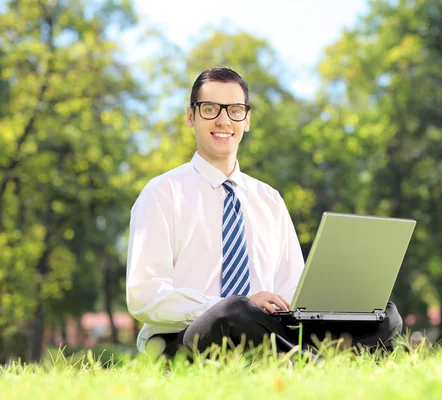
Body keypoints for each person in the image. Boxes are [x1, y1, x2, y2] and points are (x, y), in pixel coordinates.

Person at [126, 66, 402, 359]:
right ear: (191, 116)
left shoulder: (269, 199)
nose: (223, 120)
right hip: (185, 338)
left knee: (382, 312)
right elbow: (143, 294)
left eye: (235, 110)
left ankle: (302, 360)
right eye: (210, 109)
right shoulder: (162, 193)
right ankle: (316, 366)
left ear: (247, 120)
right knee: (234, 310)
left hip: (267, 329)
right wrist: (221, 304)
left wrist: (324, 306)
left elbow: (291, 286)